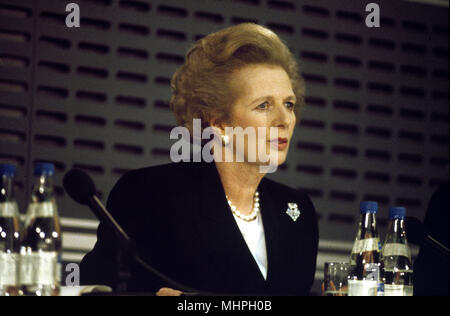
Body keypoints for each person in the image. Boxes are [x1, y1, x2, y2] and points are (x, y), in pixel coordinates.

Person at [80, 23, 319, 296]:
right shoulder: (150, 194)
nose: (284, 120)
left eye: (288, 104)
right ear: (218, 122)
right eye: (263, 105)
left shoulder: (298, 212)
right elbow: (96, 286)